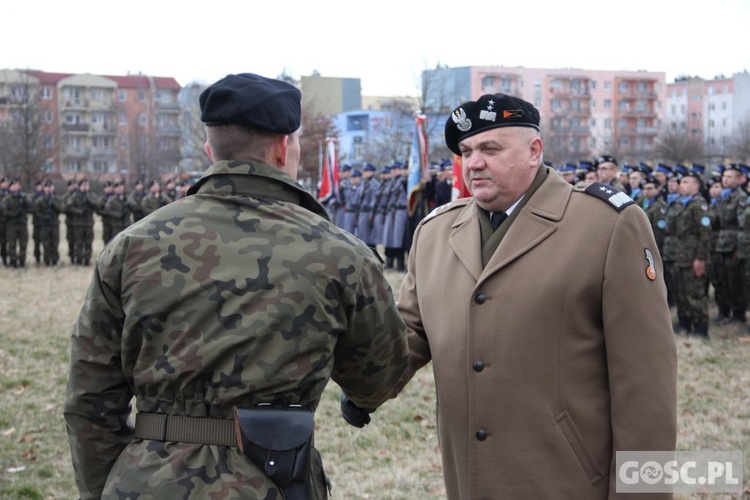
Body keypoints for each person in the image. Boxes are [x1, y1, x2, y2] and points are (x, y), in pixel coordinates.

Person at [64, 72, 409, 500]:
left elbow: (89, 400)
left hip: (143, 482)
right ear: (285, 147)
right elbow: (379, 376)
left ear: (211, 150)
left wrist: (106, 488)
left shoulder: (131, 247)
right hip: (273, 481)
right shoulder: (340, 254)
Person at [349, 93, 677, 498]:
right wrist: (365, 384)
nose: (474, 163)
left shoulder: (606, 226)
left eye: (490, 148)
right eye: (466, 151)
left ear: (534, 151)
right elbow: (411, 334)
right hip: (468, 479)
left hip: (566, 481)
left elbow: (645, 385)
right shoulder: (434, 233)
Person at [672, 170, 712, 337]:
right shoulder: (683, 203)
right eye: (682, 182)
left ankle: (701, 328)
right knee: (681, 292)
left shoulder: (699, 205)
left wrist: (700, 259)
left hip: (693, 256)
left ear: (697, 185)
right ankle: (685, 323)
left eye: (687, 182)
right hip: (681, 255)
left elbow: (706, 234)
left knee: (695, 293)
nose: (683, 185)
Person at [713, 164, 747, 324]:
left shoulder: (740, 198)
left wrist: (739, 248)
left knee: (735, 281)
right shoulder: (723, 197)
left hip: (733, 243)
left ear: (740, 179)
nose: (725, 180)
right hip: (722, 242)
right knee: (722, 279)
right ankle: (724, 311)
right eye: (724, 177)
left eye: (730, 177)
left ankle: (738, 314)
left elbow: (741, 224)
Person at [33, 180, 63, 266]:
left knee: (55, 242)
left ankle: (54, 260)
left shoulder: (57, 199)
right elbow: (37, 212)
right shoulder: (40, 200)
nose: (49, 189)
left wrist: (54, 203)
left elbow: (62, 209)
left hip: (54, 224)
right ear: (44, 188)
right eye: (47, 187)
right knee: (46, 243)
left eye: (50, 187)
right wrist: (44, 217)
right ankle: (47, 259)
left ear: (53, 188)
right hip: (44, 225)